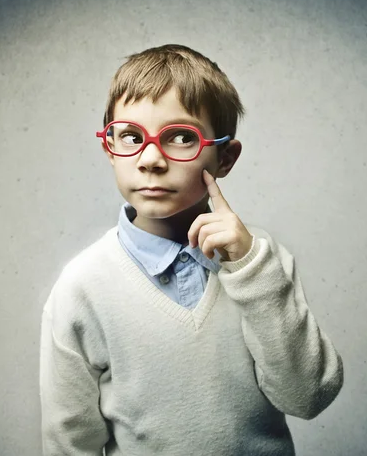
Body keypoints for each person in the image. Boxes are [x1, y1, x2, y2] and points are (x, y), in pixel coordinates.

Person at [39, 44, 344, 455]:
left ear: (225, 158)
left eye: (181, 137)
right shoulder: (82, 287)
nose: (149, 159)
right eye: (130, 136)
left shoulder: (261, 263)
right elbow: (68, 441)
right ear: (109, 148)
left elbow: (308, 396)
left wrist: (252, 269)